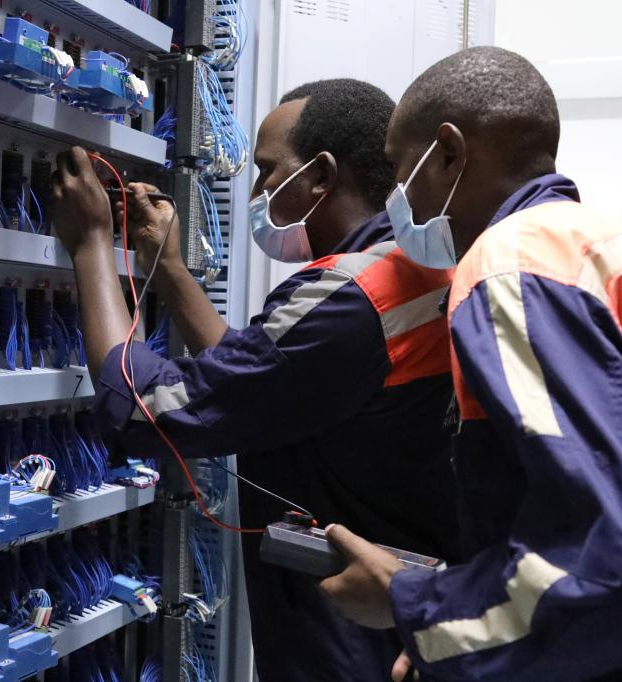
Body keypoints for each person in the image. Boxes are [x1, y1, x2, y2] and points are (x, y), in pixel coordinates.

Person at [319, 47, 622, 681]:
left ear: (449, 154)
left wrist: (414, 606)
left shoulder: (511, 268)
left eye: (400, 168)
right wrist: (466, 637)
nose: (396, 198)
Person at [50, 78, 462, 682]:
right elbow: (265, 385)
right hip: (398, 635)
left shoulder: (350, 297)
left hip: (347, 650)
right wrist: (168, 268)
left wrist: (90, 243)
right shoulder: (414, 270)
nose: (258, 191)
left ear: (321, 176)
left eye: (268, 170)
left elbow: (144, 408)